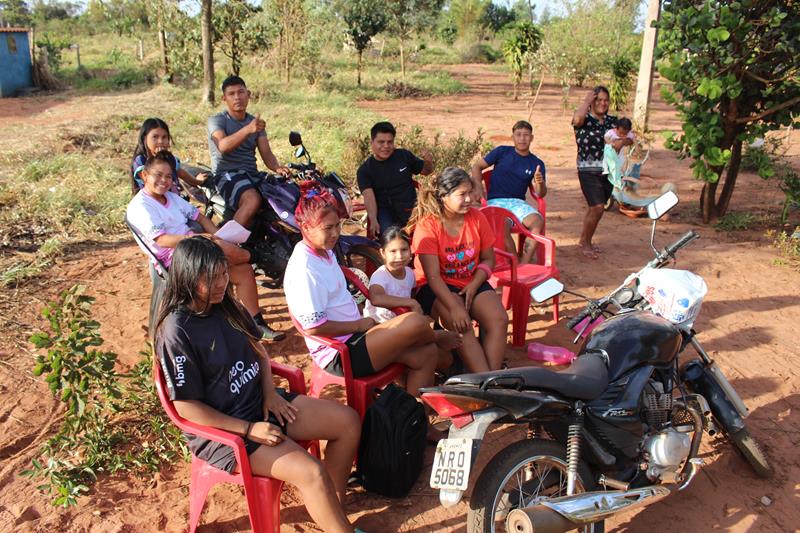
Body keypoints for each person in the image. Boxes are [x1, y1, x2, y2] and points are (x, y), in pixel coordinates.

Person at [155, 236, 364, 533]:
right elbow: (186, 407)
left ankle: (332, 510)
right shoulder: (177, 330)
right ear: (187, 276)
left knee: (347, 422)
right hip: (227, 432)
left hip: (261, 404)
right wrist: (248, 429)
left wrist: (269, 393)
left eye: (223, 274)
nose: (221, 284)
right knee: (312, 472)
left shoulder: (228, 307)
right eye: (210, 278)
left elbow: (259, 351)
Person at [283, 182, 440, 399]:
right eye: (328, 228)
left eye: (338, 225)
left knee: (428, 354)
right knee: (416, 322)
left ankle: (411, 419)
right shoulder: (305, 269)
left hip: (358, 335)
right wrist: (359, 323)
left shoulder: (324, 252)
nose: (336, 233)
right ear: (306, 227)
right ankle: (438, 337)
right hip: (341, 352)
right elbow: (313, 328)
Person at [126, 151, 285, 341]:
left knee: (243, 270)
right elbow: (161, 240)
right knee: (220, 248)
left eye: (168, 176)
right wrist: (201, 239)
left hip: (193, 248)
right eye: (158, 175)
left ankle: (255, 325)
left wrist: (216, 235)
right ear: (144, 176)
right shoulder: (141, 206)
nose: (164, 180)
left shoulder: (171, 197)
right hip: (175, 259)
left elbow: (198, 216)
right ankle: (258, 256)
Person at [410, 167, 509, 372]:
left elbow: (489, 259)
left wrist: (474, 285)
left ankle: (490, 378)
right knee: (462, 324)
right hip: (436, 286)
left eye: (470, 192)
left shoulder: (477, 217)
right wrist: (455, 307)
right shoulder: (428, 226)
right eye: (462, 194)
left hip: (472, 280)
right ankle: (484, 381)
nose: (469, 199)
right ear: (444, 196)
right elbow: (433, 277)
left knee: (499, 319)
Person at [363, 226, 462, 368]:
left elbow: (414, 291)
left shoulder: (409, 273)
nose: (399, 256)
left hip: (402, 326)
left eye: (404, 250)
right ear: (382, 253)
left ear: (410, 250)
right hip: (381, 329)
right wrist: (411, 302)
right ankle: (436, 337)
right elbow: (376, 298)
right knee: (438, 354)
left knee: (445, 359)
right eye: (393, 251)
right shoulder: (381, 275)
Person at [207, 75, 291, 229]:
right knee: (252, 200)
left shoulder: (254, 122)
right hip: (227, 174)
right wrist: (248, 129)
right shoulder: (217, 120)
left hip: (251, 174)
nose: (237, 97)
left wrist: (278, 168)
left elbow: (267, 153)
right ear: (224, 98)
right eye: (231, 94)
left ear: (248, 94)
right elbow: (223, 146)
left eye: (241, 92)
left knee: (285, 194)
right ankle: (228, 242)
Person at [471, 120, 547, 264]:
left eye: (526, 135)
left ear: (531, 138)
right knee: (502, 225)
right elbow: (477, 166)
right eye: (518, 135)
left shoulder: (536, 163)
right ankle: (514, 264)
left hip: (518, 203)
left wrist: (540, 182)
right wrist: (478, 187)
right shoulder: (502, 152)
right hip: (496, 201)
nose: (522, 139)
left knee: (537, 222)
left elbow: (540, 194)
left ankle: (524, 263)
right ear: (513, 137)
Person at [572, 86, 632, 259]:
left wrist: (623, 141)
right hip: (587, 170)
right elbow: (576, 120)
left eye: (605, 100)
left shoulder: (613, 122)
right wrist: (586, 101)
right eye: (598, 100)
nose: (602, 103)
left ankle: (584, 239)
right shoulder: (584, 119)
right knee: (597, 207)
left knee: (596, 209)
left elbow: (630, 136)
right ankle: (587, 243)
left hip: (609, 171)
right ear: (592, 102)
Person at [357, 121, 433, 239]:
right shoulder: (365, 170)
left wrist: (428, 160)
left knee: (427, 234)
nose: (386, 146)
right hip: (385, 211)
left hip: (410, 206)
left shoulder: (403, 156)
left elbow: (426, 171)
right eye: (381, 142)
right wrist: (373, 219)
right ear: (372, 143)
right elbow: (368, 197)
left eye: (390, 142)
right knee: (391, 238)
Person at [130, 117, 209, 197]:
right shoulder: (140, 161)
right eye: (155, 137)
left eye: (164, 137)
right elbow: (153, 185)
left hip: (173, 203)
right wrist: (158, 159)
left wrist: (198, 181)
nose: (160, 141)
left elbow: (182, 174)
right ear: (145, 138)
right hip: (155, 205)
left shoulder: (169, 158)